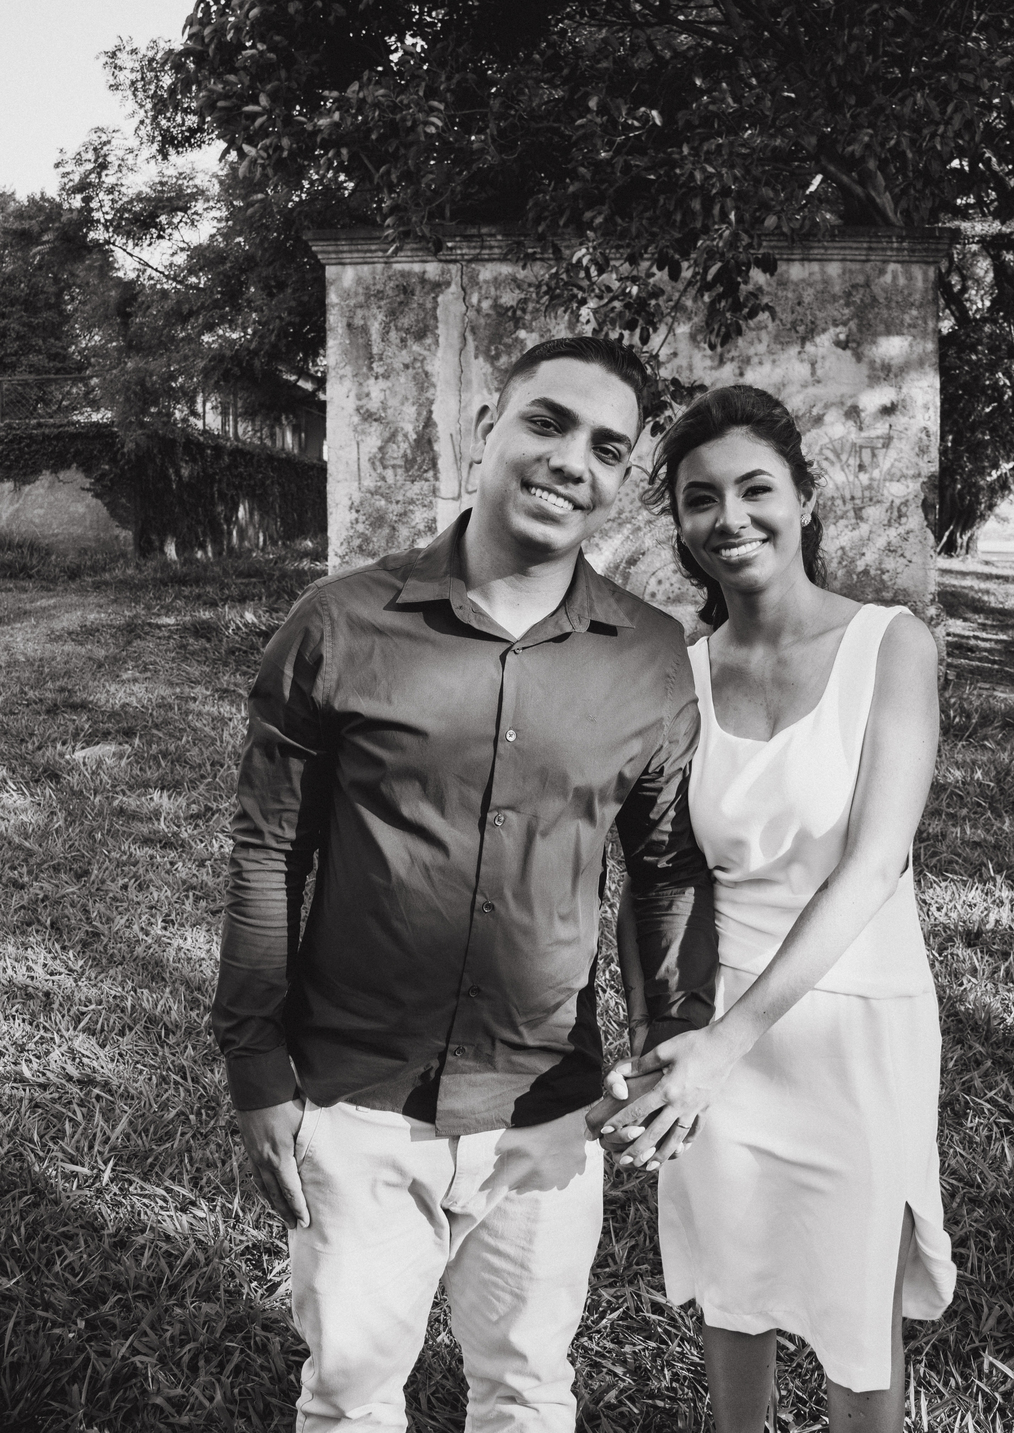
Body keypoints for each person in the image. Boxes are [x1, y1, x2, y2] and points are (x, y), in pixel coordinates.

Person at [212, 336, 717, 1433]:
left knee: (527, 1391)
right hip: (356, 1097)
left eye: (607, 447)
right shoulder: (340, 624)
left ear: (624, 477)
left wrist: (673, 1028)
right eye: (547, 421)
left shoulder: (649, 657)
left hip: (548, 1107)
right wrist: (256, 1065)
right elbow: (268, 848)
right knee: (348, 1396)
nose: (571, 460)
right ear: (487, 427)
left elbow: (665, 865)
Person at [590, 385, 956, 1433]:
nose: (731, 518)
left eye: (756, 489)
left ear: (804, 497)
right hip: (713, 1013)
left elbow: (874, 865)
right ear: (679, 523)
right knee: (732, 1283)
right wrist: (663, 1036)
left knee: (856, 1310)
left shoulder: (892, 645)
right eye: (701, 499)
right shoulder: (679, 672)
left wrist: (727, 1043)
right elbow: (656, 872)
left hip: (853, 1017)